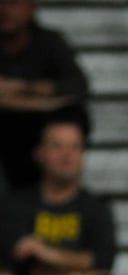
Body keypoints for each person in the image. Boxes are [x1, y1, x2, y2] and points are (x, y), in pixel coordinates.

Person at [0, 114, 126, 275]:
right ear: (39, 154)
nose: (67, 156)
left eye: (75, 147)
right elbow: (23, 268)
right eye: (57, 146)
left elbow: (103, 261)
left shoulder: (96, 208)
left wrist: (45, 253)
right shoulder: (15, 205)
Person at [0, 0, 89, 193]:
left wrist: (20, 88)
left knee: (72, 115)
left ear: (31, 7)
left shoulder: (49, 42)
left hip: (38, 130)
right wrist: (41, 95)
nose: (5, 10)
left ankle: (57, 195)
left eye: (13, 4)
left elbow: (77, 86)